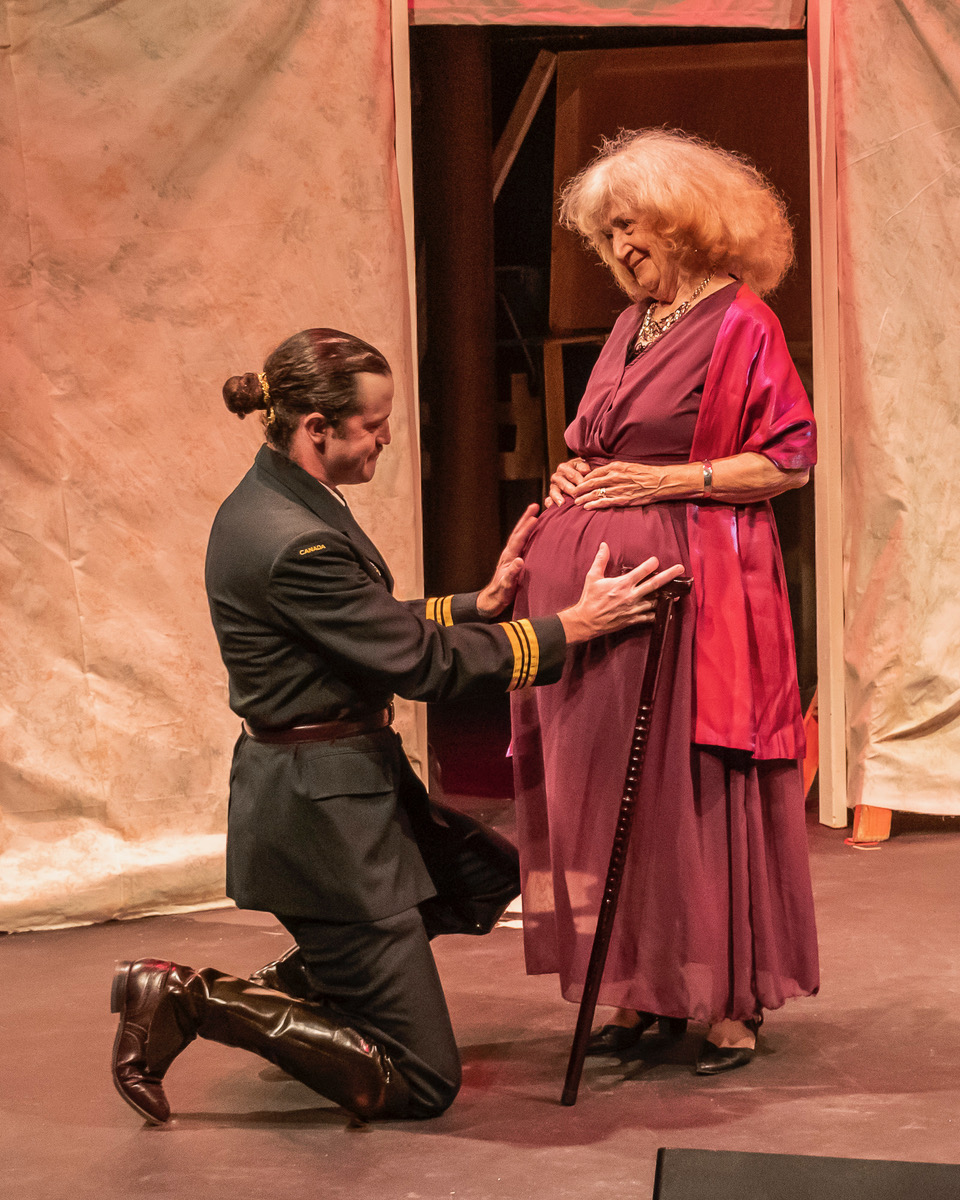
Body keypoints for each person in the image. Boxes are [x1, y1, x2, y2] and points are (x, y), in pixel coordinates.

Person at [109, 327, 684, 1125]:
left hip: (345, 786)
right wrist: (572, 629)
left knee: (479, 877)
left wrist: (476, 605)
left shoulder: (280, 499)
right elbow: (421, 667)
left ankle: (296, 987)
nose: (386, 437)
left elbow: (366, 626)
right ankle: (194, 999)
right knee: (420, 1081)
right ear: (316, 427)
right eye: (373, 424)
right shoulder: (294, 538)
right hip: (323, 820)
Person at [510, 129, 820, 1076]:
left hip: (696, 597)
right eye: (606, 235)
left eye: (631, 226)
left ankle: (725, 999)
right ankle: (644, 986)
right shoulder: (624, 326)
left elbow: (789, 458)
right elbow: (605, 442)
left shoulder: (741, 323)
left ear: (685, 221)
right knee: (617, 797)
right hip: (601, 610)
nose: (619, 248)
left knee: (693, 787)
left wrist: (663, 484)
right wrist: (576, 475)